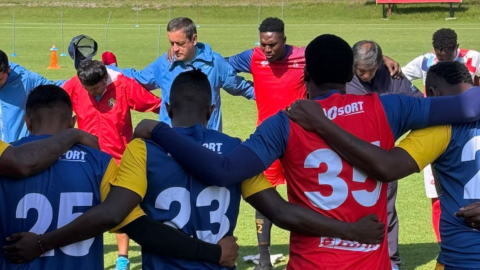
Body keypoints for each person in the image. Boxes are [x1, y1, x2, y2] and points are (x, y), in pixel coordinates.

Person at [132, 34, 480, 269]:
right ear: (350, 73)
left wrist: (159, 129)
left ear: (306, 74)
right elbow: (468, 106)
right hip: (369, 261)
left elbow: (223, 170)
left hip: (312, 261)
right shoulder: (389, 108)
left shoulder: (285, 124)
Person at [4, 70, 384, 270]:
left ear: (167, 108)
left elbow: (124, 220)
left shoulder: (142, 150)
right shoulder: (238, 152)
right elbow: (282, 213)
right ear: (211, 107)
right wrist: (350, 230)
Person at [285, 61, 480, 269]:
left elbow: (387, 167)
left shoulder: (441, 127)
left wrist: (322, 124)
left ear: (432, 93)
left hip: (463, 258)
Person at [61, 59, 160, 269]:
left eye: (95, 88)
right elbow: (57, 107)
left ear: (105, 78)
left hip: (118, 161)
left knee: (120, 210)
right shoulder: (74, 85)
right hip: (85, 161)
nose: (91, 93)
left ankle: (122, 259)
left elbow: (155, 105)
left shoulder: (124, 85)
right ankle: (80, 255)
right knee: (82, 211)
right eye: (87, 89)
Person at [346, 40, 423, 270]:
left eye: (371, 70)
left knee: (385, 212)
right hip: (347, 162)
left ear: (380, 63)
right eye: (361, 71)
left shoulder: (393, 77)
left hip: (384, 161)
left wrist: (402, 149)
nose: (367, 75)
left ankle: (392, 262)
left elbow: (422, 107)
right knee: (349, 213)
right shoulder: (341, 76)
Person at [402, 28, 480, 242]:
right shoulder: (426, 61)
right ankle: (442, 242)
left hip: (468, 130)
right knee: (437, 194)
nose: (442, 56)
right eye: (439, 52)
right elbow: (401, 75)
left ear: (457, 47)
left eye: (448, 52)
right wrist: (420, 98)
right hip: (437, 130)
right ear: (434, 49)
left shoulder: (473, 57)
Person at [109, 17, 255, 131]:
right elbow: (138, 78)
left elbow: (240, 87)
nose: (175, 49)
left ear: (194, 39)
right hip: (172, 141)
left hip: (206, 142)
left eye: (180, 43)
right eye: (171, 43)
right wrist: (107, 70)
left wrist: (272, 95)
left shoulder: (215, 63)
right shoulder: (165, 64)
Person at [0, 49, 65, 142]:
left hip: (17, 150)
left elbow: (55, 87)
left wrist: (79, 80)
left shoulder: (25, 79)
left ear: (8, 70)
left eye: (0, 79)